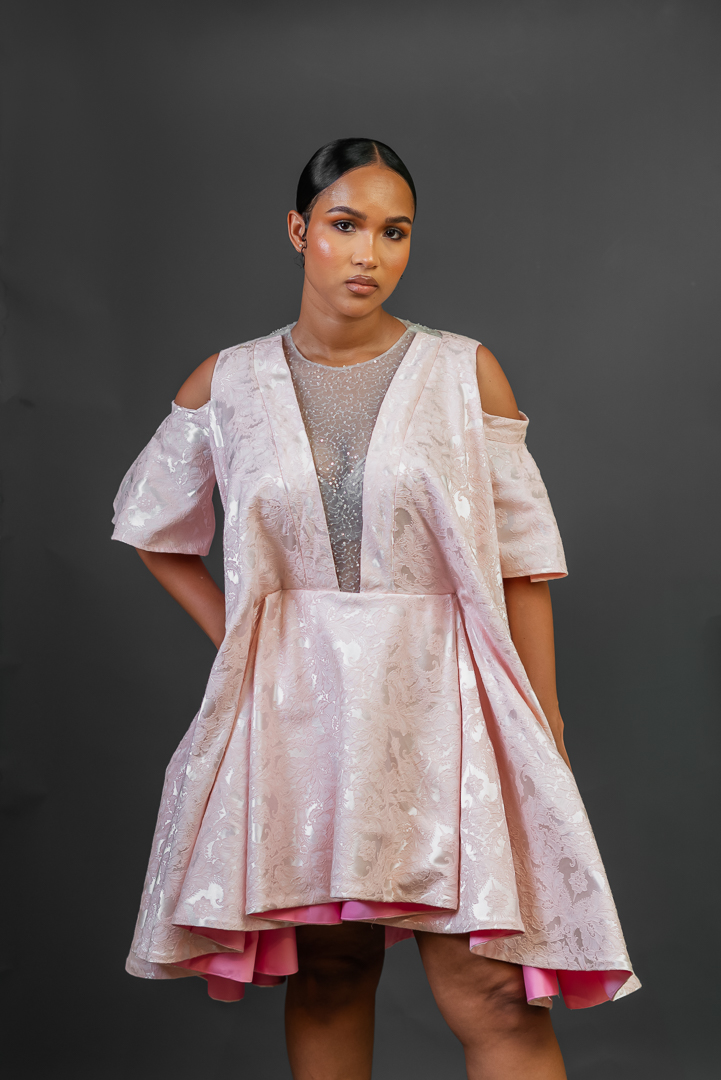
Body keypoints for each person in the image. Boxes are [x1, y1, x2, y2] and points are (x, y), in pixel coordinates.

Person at [112, 138, 639, 1080]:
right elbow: (151, 526)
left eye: (394, 233)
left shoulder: (462, 372)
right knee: (329, 973)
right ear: (298, 230)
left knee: (491, 992)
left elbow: (523, 563)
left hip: (447, 705)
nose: (369, 254)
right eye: (345, 225)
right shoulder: (229, 383)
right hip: (297, 721)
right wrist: (243, 642)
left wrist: (544, 722)